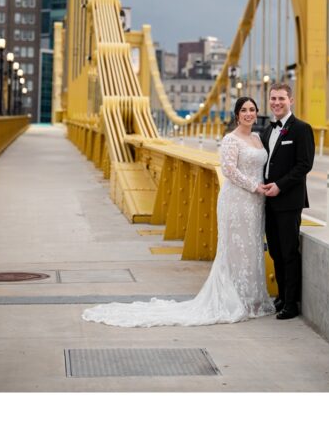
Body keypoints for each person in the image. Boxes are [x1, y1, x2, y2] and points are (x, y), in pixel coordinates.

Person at [82, 97, 275, 327]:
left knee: (251, 247)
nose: (249, 114)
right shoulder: (230, 139)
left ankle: (252, 299)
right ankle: (234, 300)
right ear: (236, 114)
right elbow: (229, 170)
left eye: (252, 110)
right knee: (235, 248)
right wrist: (254, 187)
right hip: (237, 200)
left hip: (256, 203)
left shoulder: (257, 138)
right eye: (244, 110)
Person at [260, 82, 315, 321]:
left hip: (289, 201)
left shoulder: (302, 129)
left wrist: (280, 186)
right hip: (268, 201)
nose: (276, 103)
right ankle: (282, 296)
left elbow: (305, 164)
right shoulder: (267, 131)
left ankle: (291, 304)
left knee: (289, 252)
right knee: (275, 251)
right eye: (273, 99)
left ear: (290, 100)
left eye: (281, 99)